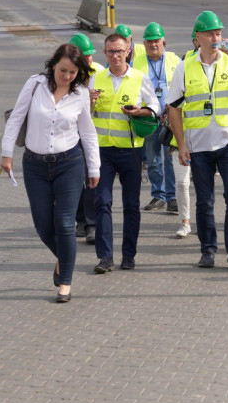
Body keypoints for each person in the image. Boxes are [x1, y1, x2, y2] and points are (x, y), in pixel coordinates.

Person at [1, 43, 100, 303]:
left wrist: (94, 167)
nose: (66, 76)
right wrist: (6, 153)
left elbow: (88, 133)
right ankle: (64, 259)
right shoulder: (34, 85)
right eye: (62, 70)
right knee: (43, 225)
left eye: (72, 73)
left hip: (70, 162)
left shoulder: (80, 94)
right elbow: (16, 118)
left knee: (65, 224)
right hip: (35, 165)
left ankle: (65, 281)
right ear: (53, 65)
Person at [167, 11, 228, 271]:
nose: (215, 37)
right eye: (210, 33)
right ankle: (208, 249)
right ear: (197, 38)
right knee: (205, 200)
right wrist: (181, 143)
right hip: (198, 145)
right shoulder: (184, 66)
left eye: (218, 32)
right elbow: (174, 107)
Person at [89, 33, 159, 273]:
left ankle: (128, 255)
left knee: (131, 205)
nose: (116, 56)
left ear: (128, 50)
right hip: (103, 150)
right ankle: (105, 257)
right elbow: (82, 114)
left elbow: (155, 108)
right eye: (111, 52)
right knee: (102, 203)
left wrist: (140, 111)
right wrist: (88, 102)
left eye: (120, 51)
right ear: (104, 53)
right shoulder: (95, 78)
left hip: (131, 150)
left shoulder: (139, 78)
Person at [133, 23, 181, 214]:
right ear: (144, 43)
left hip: (171, 118)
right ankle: (158, 194)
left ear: (164, 42)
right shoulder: (137, 62)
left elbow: (181, 87)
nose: (153, 44)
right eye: (150, 41)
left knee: (170, 158)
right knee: (153, 159)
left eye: (157, 41)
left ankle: (172, 197)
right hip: (149, 118)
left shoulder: (174, 60)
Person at [69, 33, 104, 245]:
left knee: (92, 178)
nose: (89, 59)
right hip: (72, 136)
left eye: (90, 55)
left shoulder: (100, 73)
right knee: (76, 180)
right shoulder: (67, 75)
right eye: (85, 56)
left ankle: (92, 224)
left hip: (93, 134)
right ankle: (80, 220)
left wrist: (92, 103)